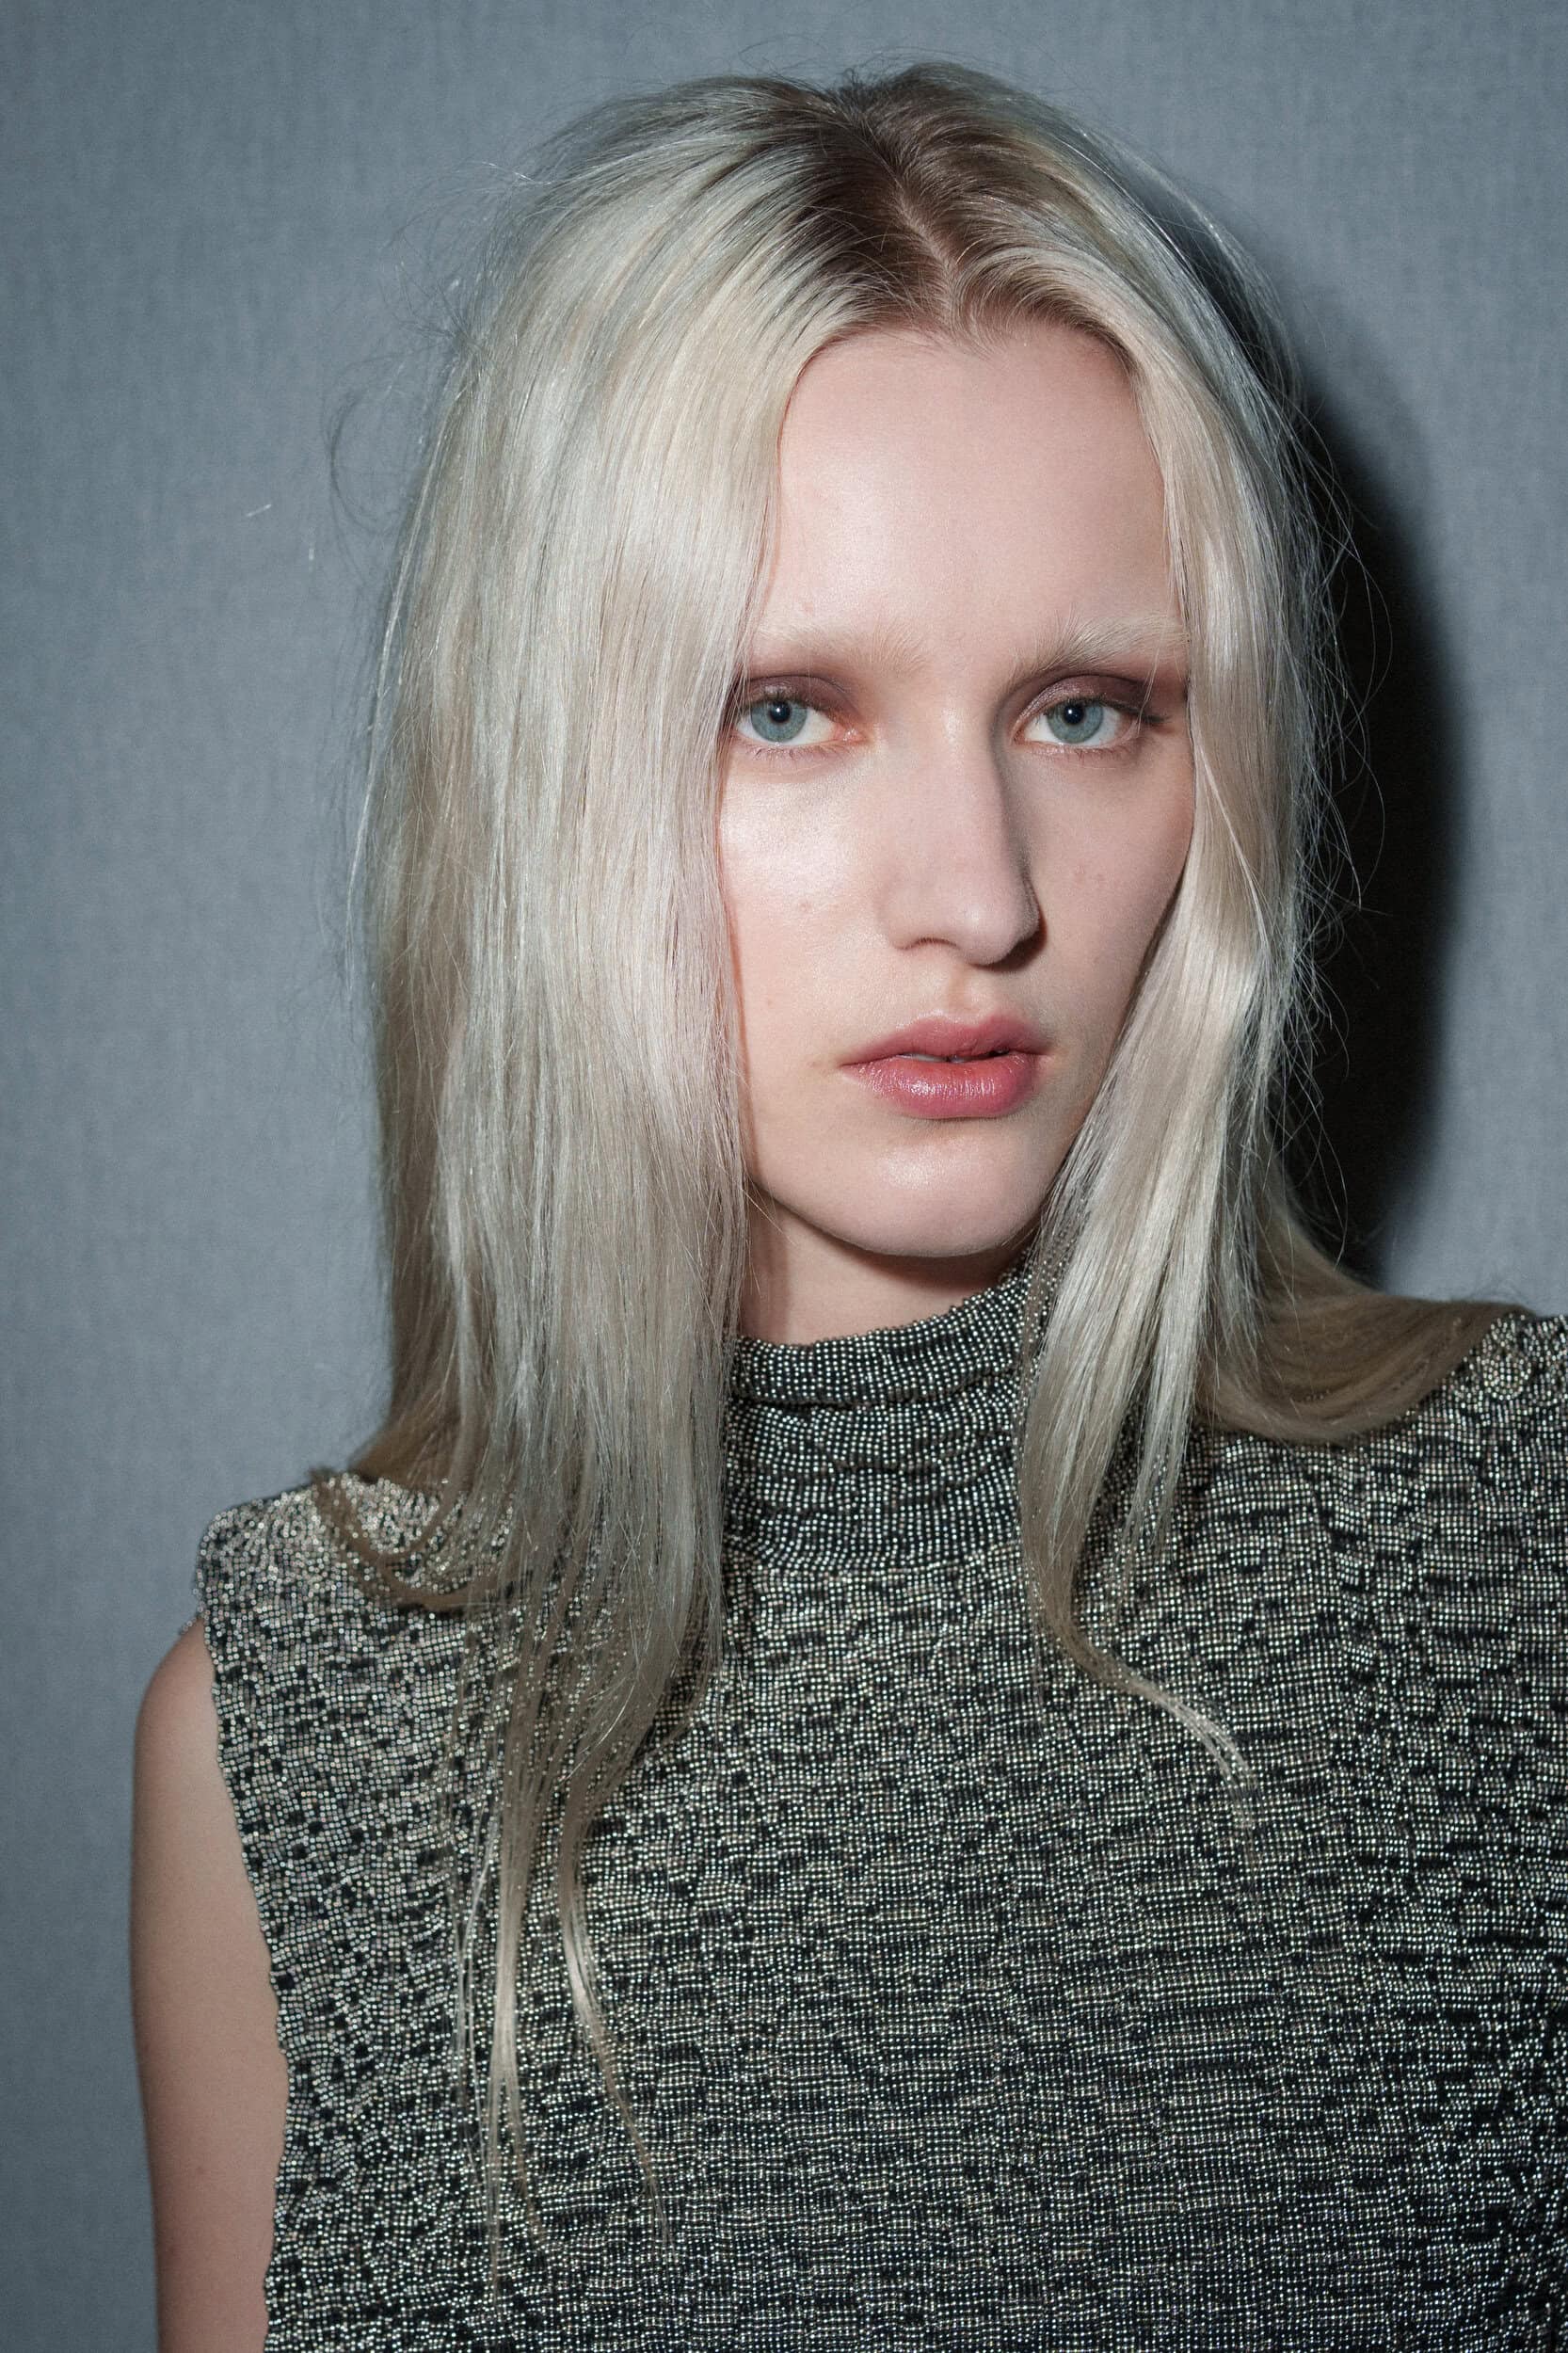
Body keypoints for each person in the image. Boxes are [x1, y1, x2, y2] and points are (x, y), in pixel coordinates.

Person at [129, 58, 1567, 2351]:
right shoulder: (302, 1727)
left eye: (1086, 709)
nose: (977, 897)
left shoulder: (1510, 1555)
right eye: (787, 710)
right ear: (544, 774)